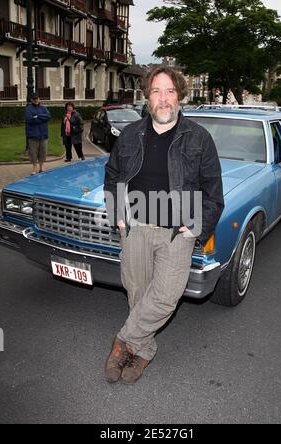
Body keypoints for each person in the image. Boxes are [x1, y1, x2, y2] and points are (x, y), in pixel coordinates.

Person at [103, 67, 224, 384]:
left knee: (166, 297)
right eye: (156, 91)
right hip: (135, 228)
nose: (163, 98)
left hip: (177, 233)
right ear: (147, 97)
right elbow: (113, 175)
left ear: (180, 96)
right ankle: (142, 351)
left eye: (170, 91)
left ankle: (122, 341)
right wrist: (117, 213)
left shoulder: (199, 138)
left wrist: (198, 226)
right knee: (138, 293)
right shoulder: (130, 134)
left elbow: (213, 192)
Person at [24, 93, 51, 175]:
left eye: (37, 98)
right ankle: (34, 168)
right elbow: (29, 120)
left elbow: (48, 117)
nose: (36, 100)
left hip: (43, 134)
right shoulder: (28, 109)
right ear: (31, 100)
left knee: (43, 151)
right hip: (33, 135)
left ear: (39, 99)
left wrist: (37, 116)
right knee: (33, 152)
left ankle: (41, 167)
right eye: (34, 99)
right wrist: (41, 119)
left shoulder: (44, 108)